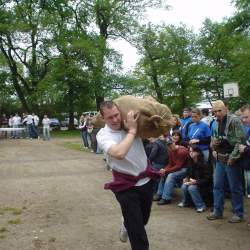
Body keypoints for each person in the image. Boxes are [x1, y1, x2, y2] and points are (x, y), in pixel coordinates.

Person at [96, 101, 160, 250]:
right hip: (125, 186)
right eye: (110, 117)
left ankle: (126, 223)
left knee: (143, 219)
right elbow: (119, 153)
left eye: (117, 115)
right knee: (137, 230)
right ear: (103, 117)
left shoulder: (130, 124)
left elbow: (154, 129)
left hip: (146, 181)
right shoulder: (103, 135)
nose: (115, 120)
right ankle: (131, 228)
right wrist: (132, 131)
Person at [207, 100, 245, 223]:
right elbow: (214, 138)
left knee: (235, 188)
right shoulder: (215, 122)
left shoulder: (234, 120)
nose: (217, 113)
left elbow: (241, 140)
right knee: (217, 186)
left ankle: (238, 213)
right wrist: (214, 147)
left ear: (226, 108)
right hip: (220, 158)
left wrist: (233, 157)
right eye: (215, 111)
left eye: (219, 110)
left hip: (231, 159)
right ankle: (218, 211)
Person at [154, 137, 189, 205]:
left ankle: (166, 198)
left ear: (174, 143)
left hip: (184, 169)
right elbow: (170, 164)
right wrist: (164, 170)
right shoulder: (170, 150)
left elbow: (179, 166)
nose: (170, 146)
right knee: (163, 174)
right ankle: (159, 194)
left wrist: (167, 171)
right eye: (168, 145)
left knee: (170, 175)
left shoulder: (182, 151)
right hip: (177, 168)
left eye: (171, 144)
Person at [178, 145, 213, 212]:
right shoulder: (190, 162)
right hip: (194, 183)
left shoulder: (205, 163)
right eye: (190, 151)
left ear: (198, 153)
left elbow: (208, 180)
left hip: (204, 186)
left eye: (193, 151)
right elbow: (188, 174)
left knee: (192, 187)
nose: (191, 153)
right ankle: (186, 202)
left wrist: (196, 182)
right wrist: (186, 178)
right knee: (184, 185)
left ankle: (201, 206)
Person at [238, 105, 250, 227]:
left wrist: (245, 149)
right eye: (243, 117)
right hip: (247, 165)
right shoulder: (247, 130)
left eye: (246, 117)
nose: (244, 120)